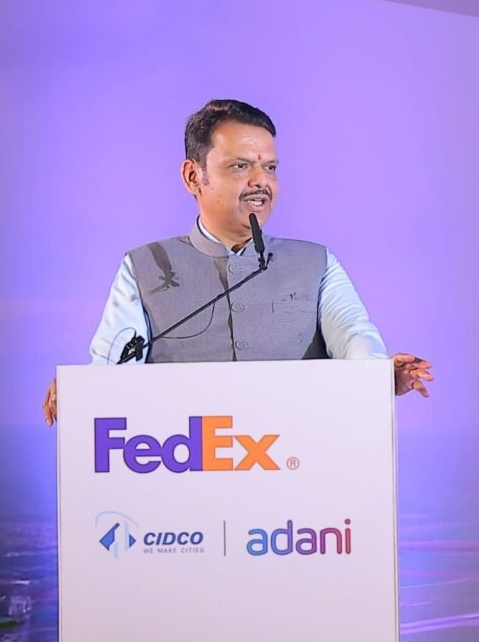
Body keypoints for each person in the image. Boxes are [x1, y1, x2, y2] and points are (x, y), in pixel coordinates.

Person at [43, 99, 432, 425]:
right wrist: (82, 393)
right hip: (181, 471)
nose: (261, 181)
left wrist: (378, 374)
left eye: (270, 168)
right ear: (193, 176)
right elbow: (112, 366)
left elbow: (354, 337)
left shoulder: (316, 263)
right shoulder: (145, 266)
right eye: (240, 166)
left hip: (296, 472)